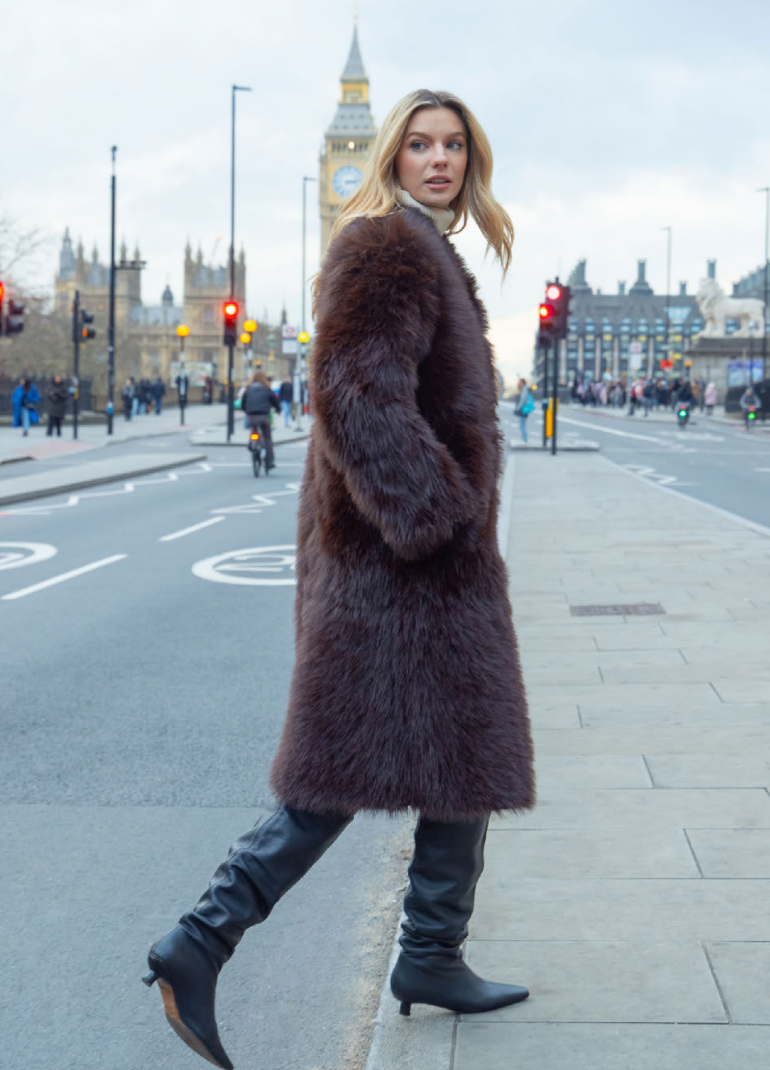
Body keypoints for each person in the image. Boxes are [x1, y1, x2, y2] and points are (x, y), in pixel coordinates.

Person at [142, 88, 535, 1070]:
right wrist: (437, 520)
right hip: (397, 568)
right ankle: (197, 940)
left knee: (462, 749)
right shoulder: (385, 247)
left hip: (418, 564)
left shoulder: (422, 248)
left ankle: (432, 955)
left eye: (453, 145)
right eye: (420, 144)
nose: (438, 159)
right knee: (337, 777)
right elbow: (358, 398)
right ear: (389, 157)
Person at [242, 369, 280, 469]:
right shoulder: (267, 389)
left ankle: (252, 443)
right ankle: (269, 462)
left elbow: (243, 403)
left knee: (253, 430)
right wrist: (278, 409)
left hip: (252, 416)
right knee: (267, 438)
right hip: (264, 416)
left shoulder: (248, 389)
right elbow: (275, 402)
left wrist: (246, 410)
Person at [514, 377, 533, 442]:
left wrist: (518, 408)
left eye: (520, 382)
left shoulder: (525, 389)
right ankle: (524, 438)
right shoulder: (523, 389)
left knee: (522, 425)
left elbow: (523, 400)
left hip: (523, 409)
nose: (519, 383)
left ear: (522, 382)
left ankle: (524, 439)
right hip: (523, 409)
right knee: (522, 424)